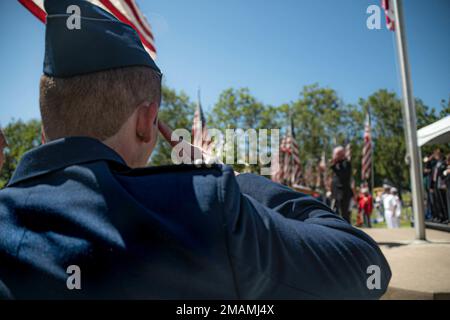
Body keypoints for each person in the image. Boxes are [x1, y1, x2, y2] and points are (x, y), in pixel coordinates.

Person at [0, 0, 390, 299]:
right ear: (145, 121)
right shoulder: (203, 209)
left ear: (44, 128)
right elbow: (362, 262)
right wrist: (230, 178)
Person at [330, 146, 354, 223]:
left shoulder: (345, 163)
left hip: (343, 193)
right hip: (335, 193)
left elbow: (343, 176)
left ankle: (347, 230)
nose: (333, 155)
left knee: (344, 213)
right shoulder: (335, 164)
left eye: (335, 154)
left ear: (341, 154)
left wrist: (334, 166)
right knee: (335, 211)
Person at [430, 149, 448, 223]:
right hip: (435, 184)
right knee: (437, 202)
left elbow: (442, 172)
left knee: (443, 202)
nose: (435, 156)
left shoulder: (443, 162)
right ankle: (440, 216)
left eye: (436, 155)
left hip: (441, 184)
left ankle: (445, 217)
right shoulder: (436, 163)